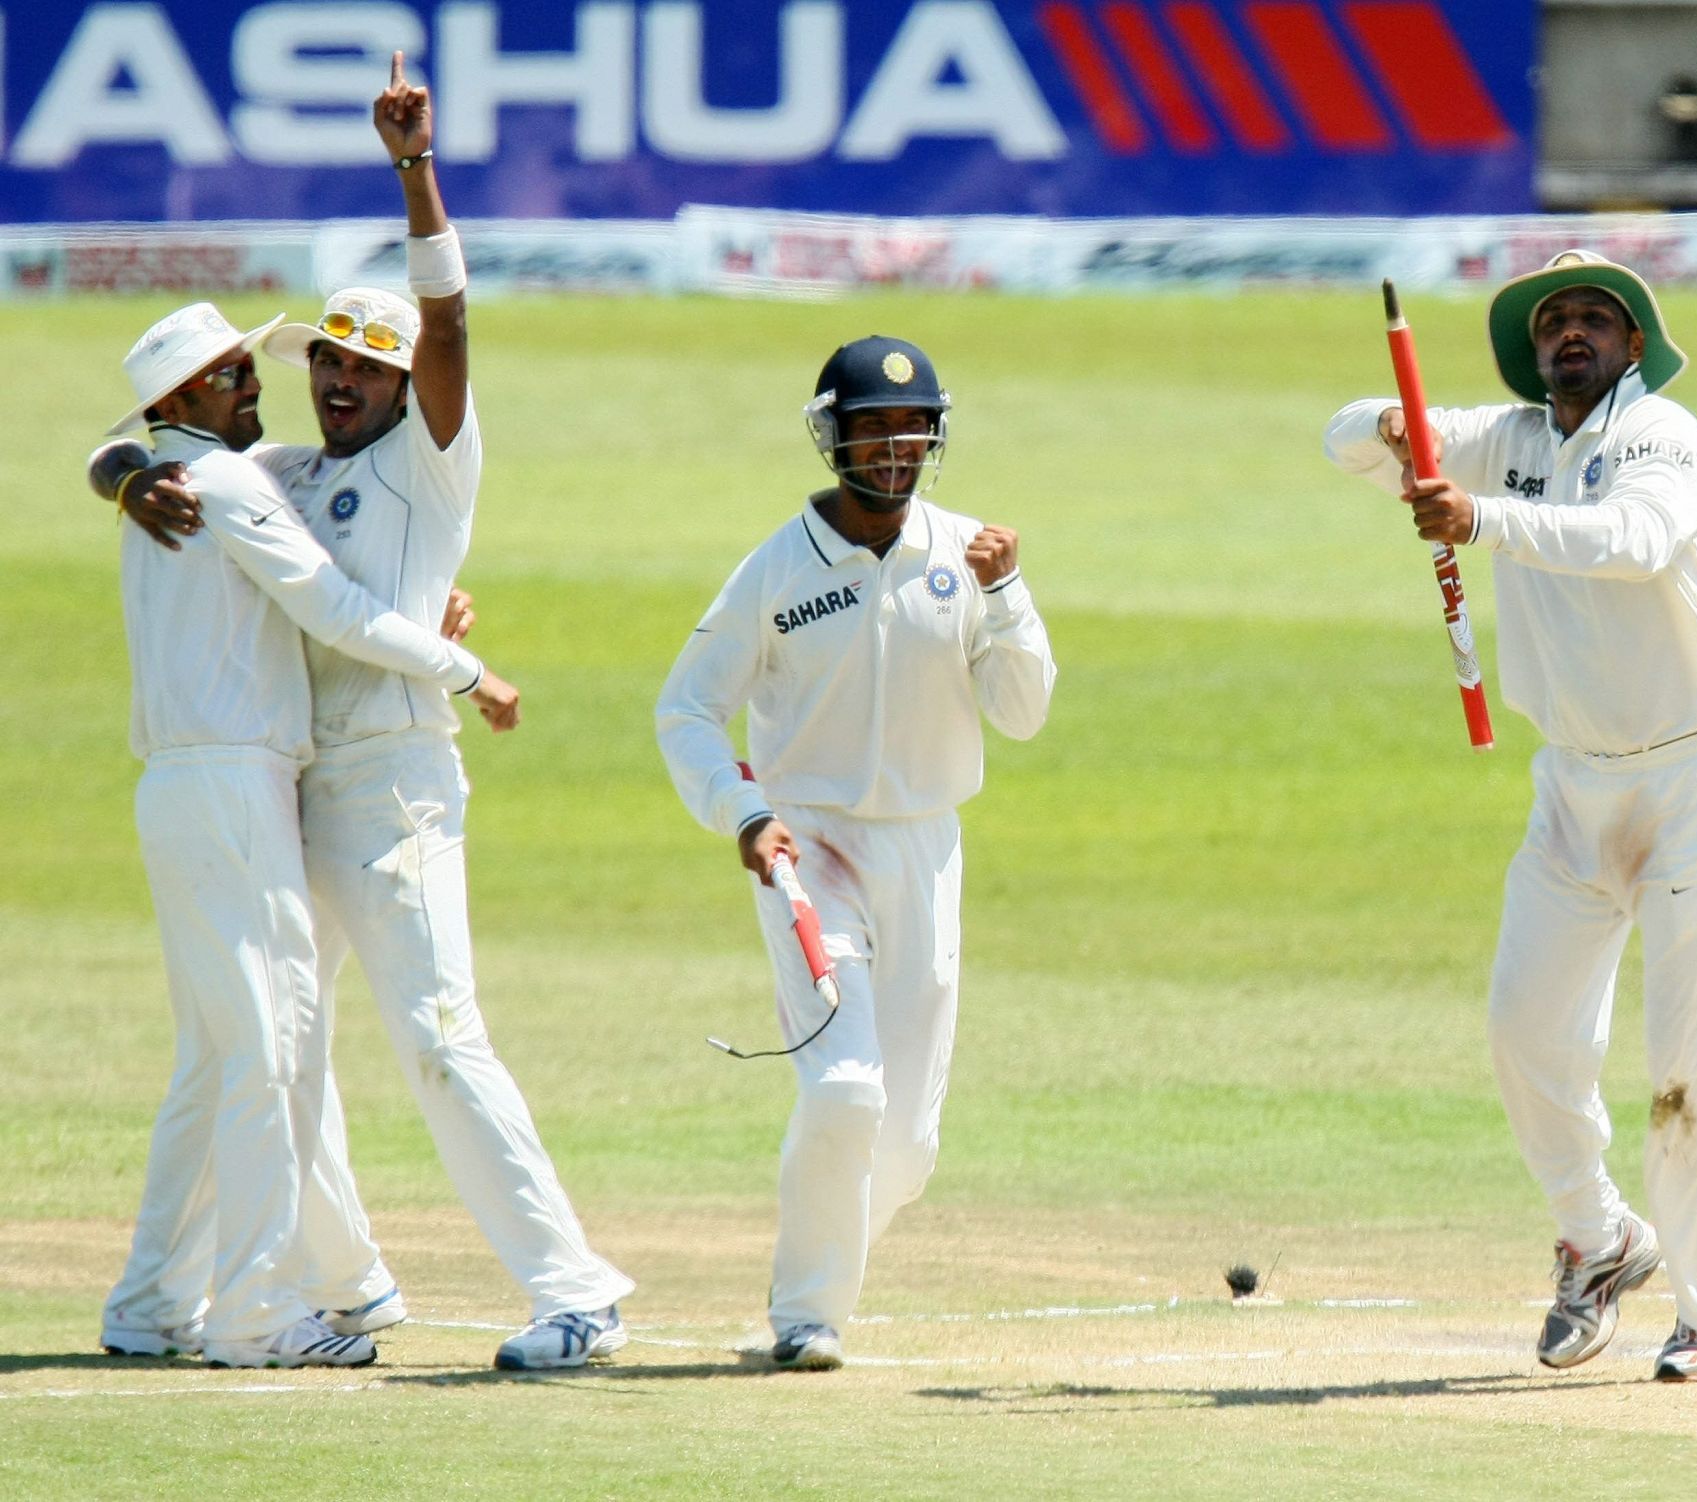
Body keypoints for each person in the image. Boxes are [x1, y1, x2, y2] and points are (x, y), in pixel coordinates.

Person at [98, 53, 633, 1372]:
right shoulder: (278, 463)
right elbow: (166, 446)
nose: (342, 379)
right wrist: (113, 468)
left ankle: (575, 1293)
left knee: (439, 1039)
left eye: (366, 366)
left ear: (403, 387)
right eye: (328, 358)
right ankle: (301, 1288)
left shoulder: (427, 462)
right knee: (270, 1053)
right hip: (285, 798)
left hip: (392, 787)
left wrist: (414, 170)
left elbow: (449, 327)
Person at [1323, 250, 1697, 1383]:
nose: (1571, 333)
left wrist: (1476, 517)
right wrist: (1394, 424)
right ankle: (1602, 1235)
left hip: (1691, 774)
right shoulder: (1509, 435)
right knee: (1526, 1027)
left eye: (1594, 319)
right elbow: (1344, 439)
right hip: (1573, 782)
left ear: (1631, 343)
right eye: (1554, 319)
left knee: (1681, 1060)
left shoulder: (1667, 437)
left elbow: (1634, 540)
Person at [96, 301, 521, 1370]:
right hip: (234, 783)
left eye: (245, 366)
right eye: (229, 372)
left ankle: (150, 1303)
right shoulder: (231, 482)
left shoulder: (200, 474)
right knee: (274, 1049)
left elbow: (127, 453)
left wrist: (117, 469)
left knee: (216, 1055)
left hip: (192, 790)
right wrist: (465, 670)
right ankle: (249, 1313)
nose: (253, 382)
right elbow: (333, 607)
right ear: (178, 400)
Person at [656, 335, 1056, 1370]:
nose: (894, 446)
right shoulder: (776, 567)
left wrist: (1008, 596)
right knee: (845, 1090)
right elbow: (687, 709)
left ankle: (816, 1272)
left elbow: (1024, 713)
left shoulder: (967, 553)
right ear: (832, 436)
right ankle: (806, 1315)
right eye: (873, 427)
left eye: (911, 426)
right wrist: (744, 815)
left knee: (908, 1150)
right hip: (810, 847)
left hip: (927, 848)